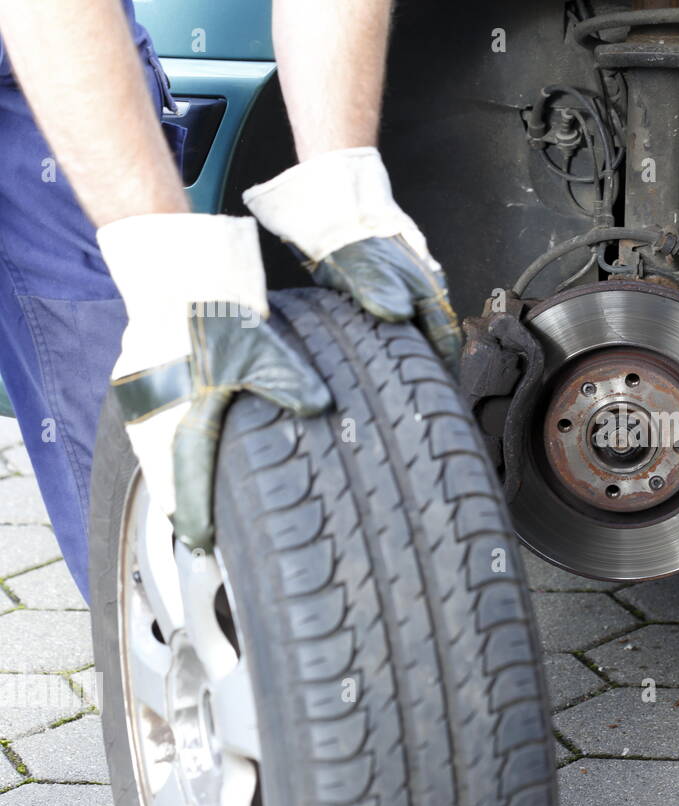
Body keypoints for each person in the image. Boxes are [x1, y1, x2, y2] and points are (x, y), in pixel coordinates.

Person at [0, 0, 460, 599]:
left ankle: (201, 648)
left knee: (148, 430)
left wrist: (345, 194)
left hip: (54, 68)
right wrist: (171, 276)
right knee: (169, 324)